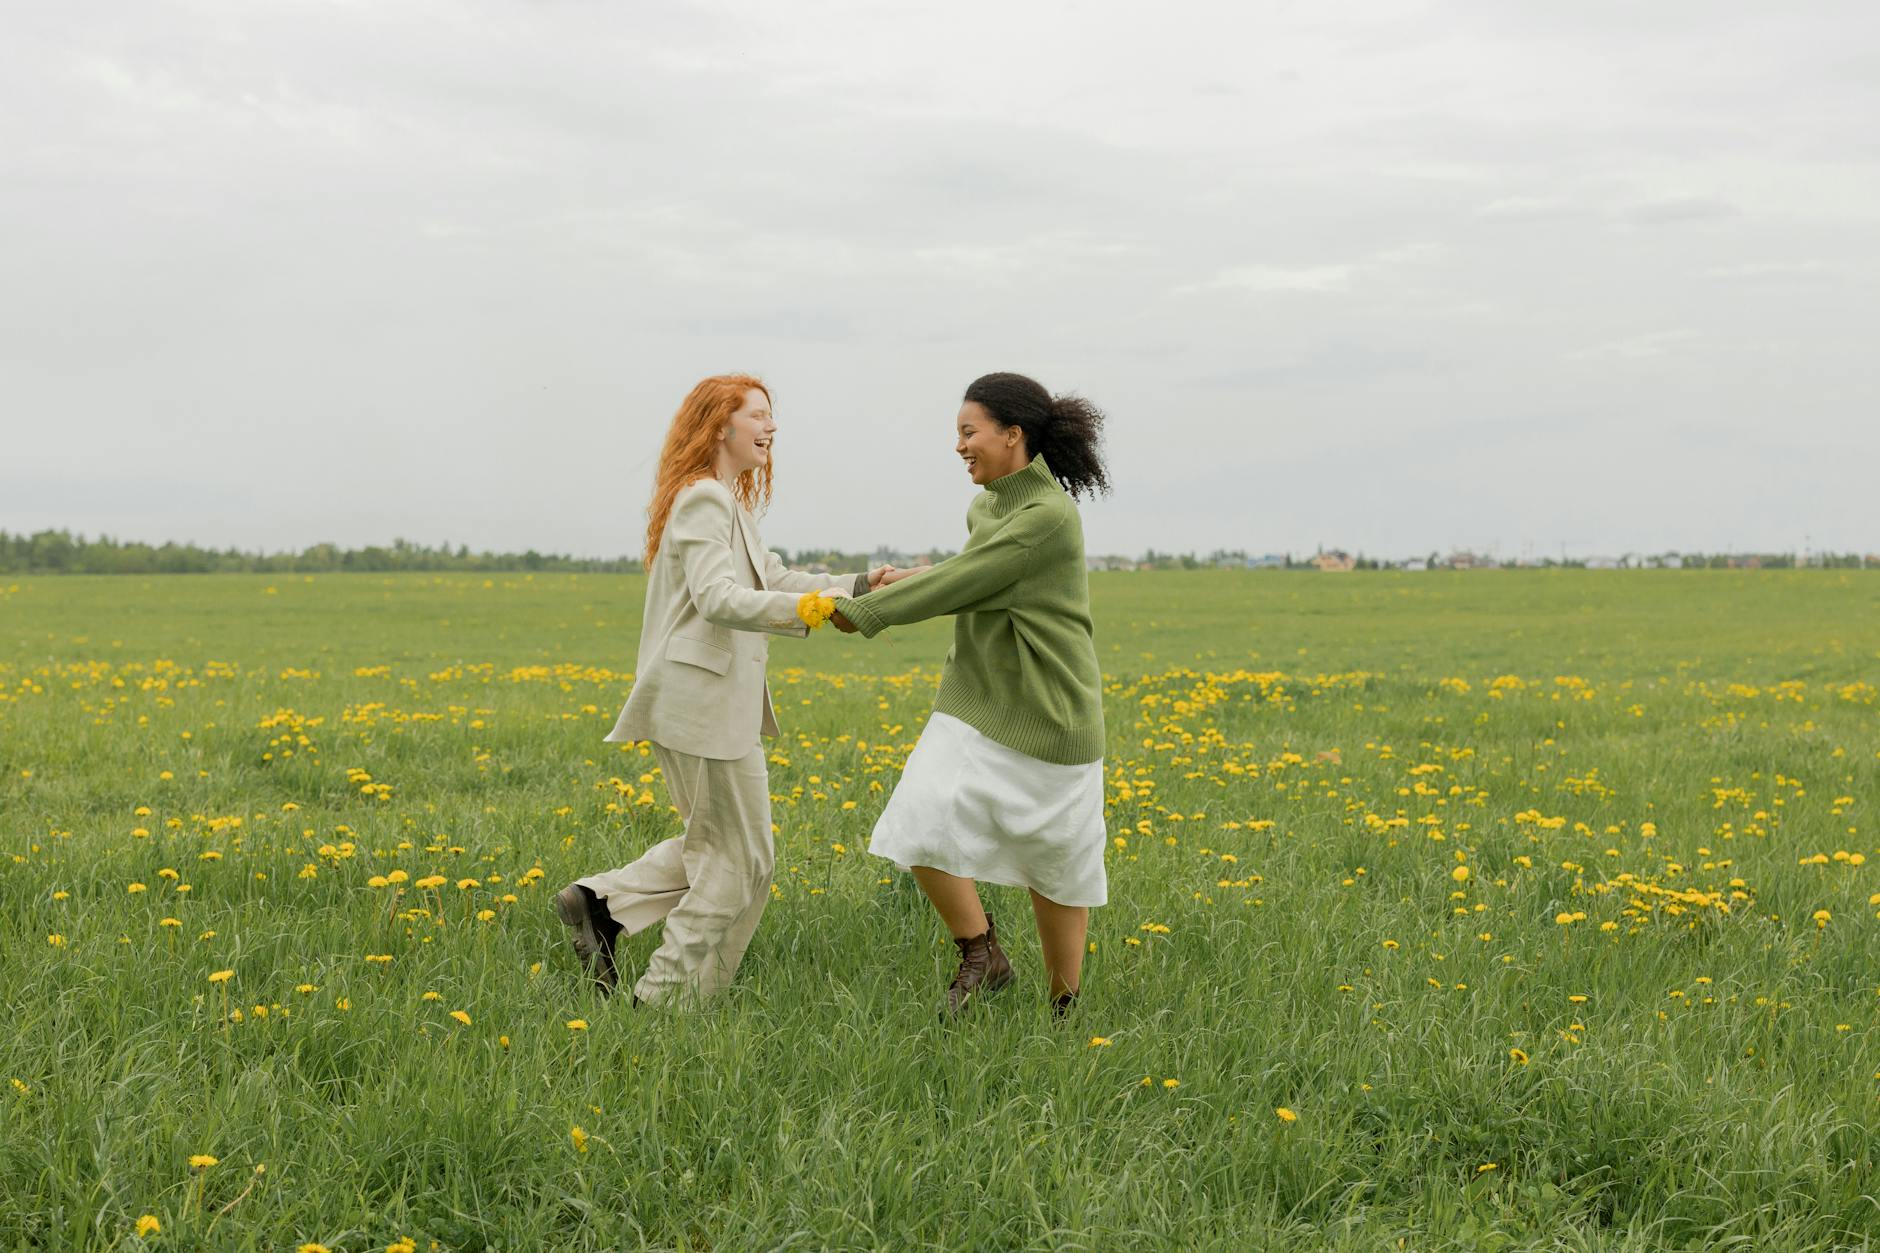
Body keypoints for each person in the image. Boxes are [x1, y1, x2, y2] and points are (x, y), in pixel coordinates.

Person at [556, 374, 887, 1004]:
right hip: (697, 704)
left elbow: (776, 577)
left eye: (772, 415)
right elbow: (717, 598)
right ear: (719, 426)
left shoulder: (726, 500)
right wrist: (815, 611)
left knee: (744, 859)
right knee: (733, 866)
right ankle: (659, 1003)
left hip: (714, 706)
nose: (772, 427)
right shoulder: (704, 499)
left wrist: (864, 585)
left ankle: (604, 905)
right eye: (758, 415)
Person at [831, 371, 1111, 1019]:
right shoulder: (990, 506)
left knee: (1057, 866)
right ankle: (982, 952)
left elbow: (975, 578)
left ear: (1013, 435)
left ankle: (1065, 1009)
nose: (960, 446)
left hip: (1051, 714)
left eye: (969, 431)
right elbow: (975, 572)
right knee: (917, 818)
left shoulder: (1047, 516)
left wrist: (869, 608)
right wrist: (914, 577)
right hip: (978, 704)